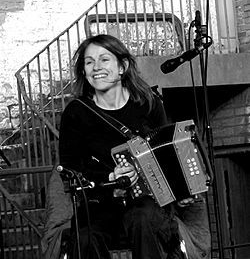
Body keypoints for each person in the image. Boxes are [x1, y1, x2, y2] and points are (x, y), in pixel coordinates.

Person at [58, 34, 210, 259]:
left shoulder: (148, 103)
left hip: (148, 204)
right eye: (89, 62)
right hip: (101, 205)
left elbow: (169, 152)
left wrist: (182, 190)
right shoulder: (76, 113)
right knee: (85, 238)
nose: (96, 67)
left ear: (123, 66)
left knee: (143, 216)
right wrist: (110, 177)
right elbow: (70, 168)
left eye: (104, 59)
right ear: (83, 71)